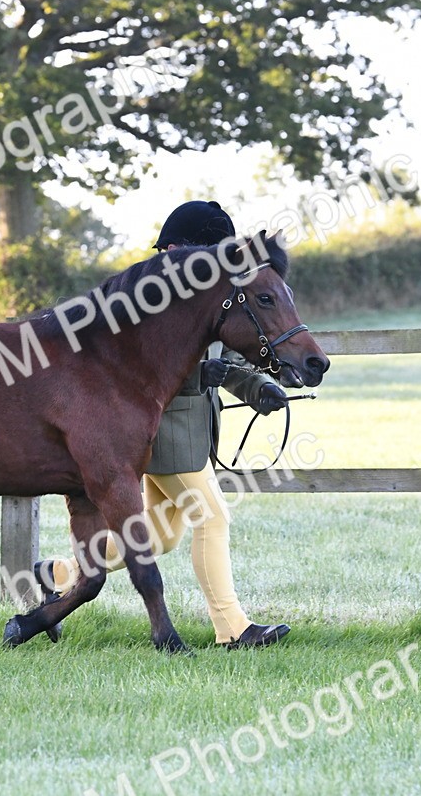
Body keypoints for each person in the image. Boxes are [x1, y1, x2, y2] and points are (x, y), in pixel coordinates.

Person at [34, 200, 292, 649]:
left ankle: (57, 575)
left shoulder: (210, 297)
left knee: (161, 536)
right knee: (213, 519)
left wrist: (256, 389)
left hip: (190, 434)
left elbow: (224, 361)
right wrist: (199, 376)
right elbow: (144, 366)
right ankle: (232, 628)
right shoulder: (149, 295)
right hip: (163, 432)